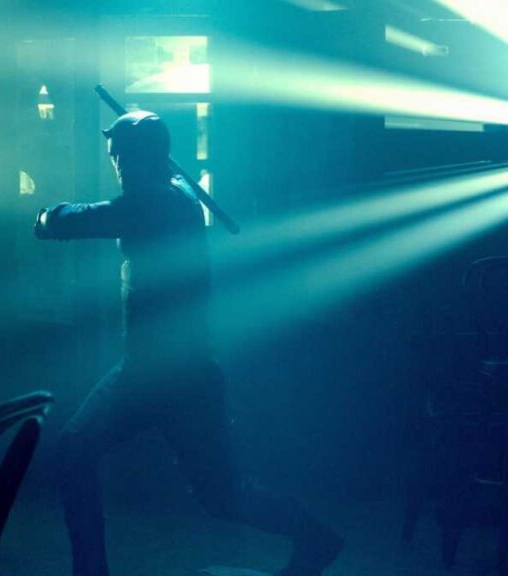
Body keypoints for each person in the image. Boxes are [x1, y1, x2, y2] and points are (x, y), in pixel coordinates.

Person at [33, 110, 342, 576]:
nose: (118, 166)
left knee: (81, 453)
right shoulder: (174, 194)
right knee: (220, 495)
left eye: (125, 156)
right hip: (176, 371)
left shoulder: (156, 201)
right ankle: (317, 537)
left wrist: (46, 215)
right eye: (115, 157)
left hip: (160, 374)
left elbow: (77, 221)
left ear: (151, 156)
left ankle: (91, 573)